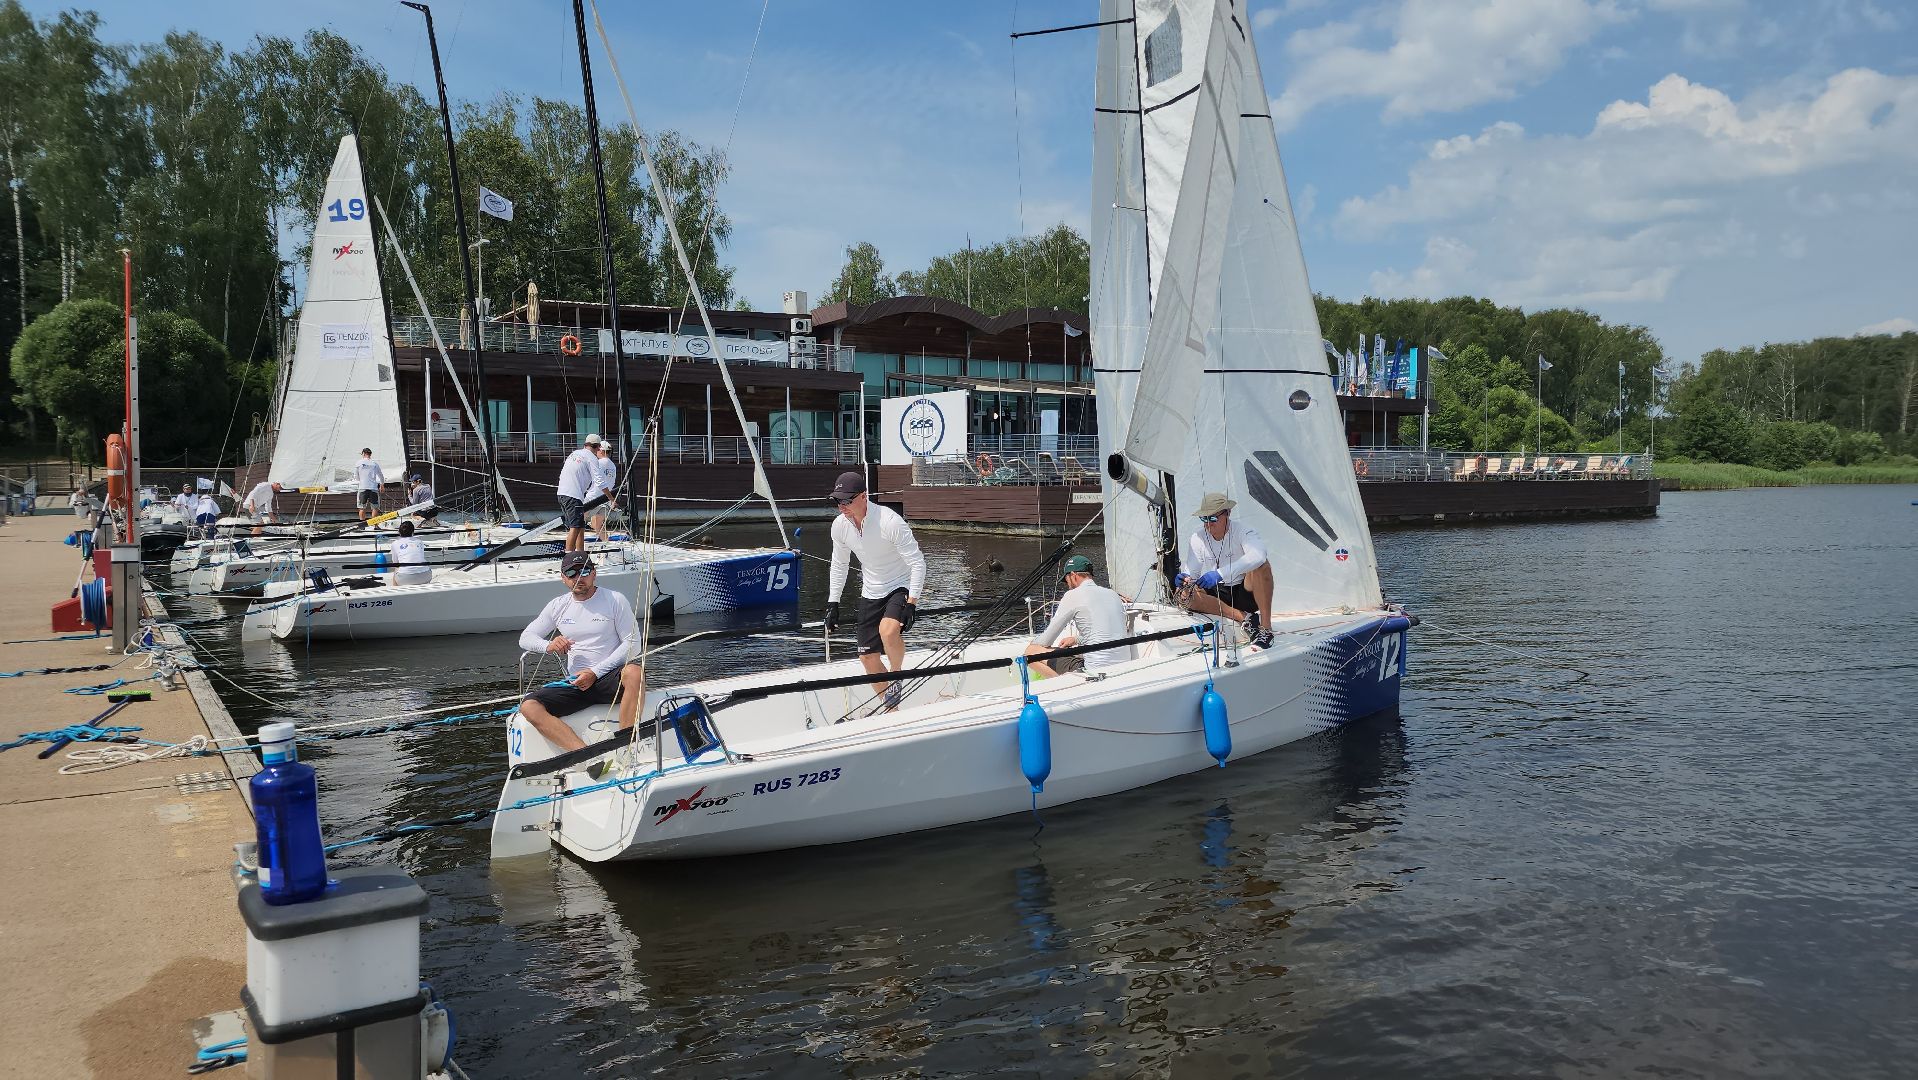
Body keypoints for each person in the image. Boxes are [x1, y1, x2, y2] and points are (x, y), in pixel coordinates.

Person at [516, 551, 644, 767]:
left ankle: (625, 747)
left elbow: (633, 644)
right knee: (528, 706)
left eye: (584, 571)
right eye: (572, 573)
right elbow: (525, 638)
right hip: (576, 683)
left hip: (607, 677)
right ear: (563, 578)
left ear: (594, 574)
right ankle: (589, 756)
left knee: (634, 672)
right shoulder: (558, 605)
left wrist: (595, 673)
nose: (579, 577)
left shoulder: (614, 600)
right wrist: (549, 645)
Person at [823, 470, 926, 711]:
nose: (842, 506)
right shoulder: (839, 527)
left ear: (863, 497)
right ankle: (891, 709)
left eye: (847, 500)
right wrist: (833, 603)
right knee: (867, 657)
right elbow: (839, 565)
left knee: (888, 632)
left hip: (899, 584)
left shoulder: (890, 522)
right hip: (870, 589)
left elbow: (917, 563)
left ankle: (896, 676)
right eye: (838, 501)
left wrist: (912, 602)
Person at [1176, 492, 1275, 649]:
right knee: (1184, 595)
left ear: (1227, 513)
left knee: (1262, 566)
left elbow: (1258, 555)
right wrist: (1185, 578)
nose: (1209, 524)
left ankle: (1266, 629)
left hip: (1245, 591)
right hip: (1218, 592)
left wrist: (1220, 574)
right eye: (1204, 519)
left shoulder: (1244, 531)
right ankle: (1245, 618)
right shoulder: (1197, 538)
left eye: (1213, 518)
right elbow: (1192, 573)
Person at [1025, 554, 1132, 678]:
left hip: (1096, 670)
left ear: (1073, 575)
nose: (1067, 584)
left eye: (1066, 579)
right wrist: (1076, 639)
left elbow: (1045, 641)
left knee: (1030, 652)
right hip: (1122, 666)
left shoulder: (1072, 595)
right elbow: (1108, 632)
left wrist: (1032, 642)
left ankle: (1064, 685)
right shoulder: (1112, 594)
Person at [556, 434, 602, 552]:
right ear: (597, 447)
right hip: (573, 496)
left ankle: (580, 554)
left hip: (562, 493)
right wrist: (612, 499)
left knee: (580, 526)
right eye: (598, 448)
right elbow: (600, 482)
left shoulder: (574, 453)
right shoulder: (592, 458)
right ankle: (568, 558)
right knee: (575, 527)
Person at [589, 443, 617, 545]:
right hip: (605, 499)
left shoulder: (598, 463)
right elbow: (612, 482)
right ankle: (606, 543)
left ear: (601, 451)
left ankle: (574, 547)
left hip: (593, 498)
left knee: (576, 522)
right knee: (598, 525)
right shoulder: (612, 466)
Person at [389, 519, 432, 586]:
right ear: (413, 532)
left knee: (396, 569)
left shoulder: (395, 543)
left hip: (405, 578)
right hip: (425, 576)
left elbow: (395, 563)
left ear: (399, 532)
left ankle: (395, 591)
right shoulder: (419, 541)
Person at [353, 448, 384, 522]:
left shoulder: (358, 463)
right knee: (375, 508)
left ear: (363, 454)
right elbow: (381, 476)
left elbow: (356, 477)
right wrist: (382, 484)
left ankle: (362, 526)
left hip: (363, 487)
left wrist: (362, 480)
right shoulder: (374, 464)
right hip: (373, 488)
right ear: (370, 454)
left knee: (362, 508)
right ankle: (375, 525)